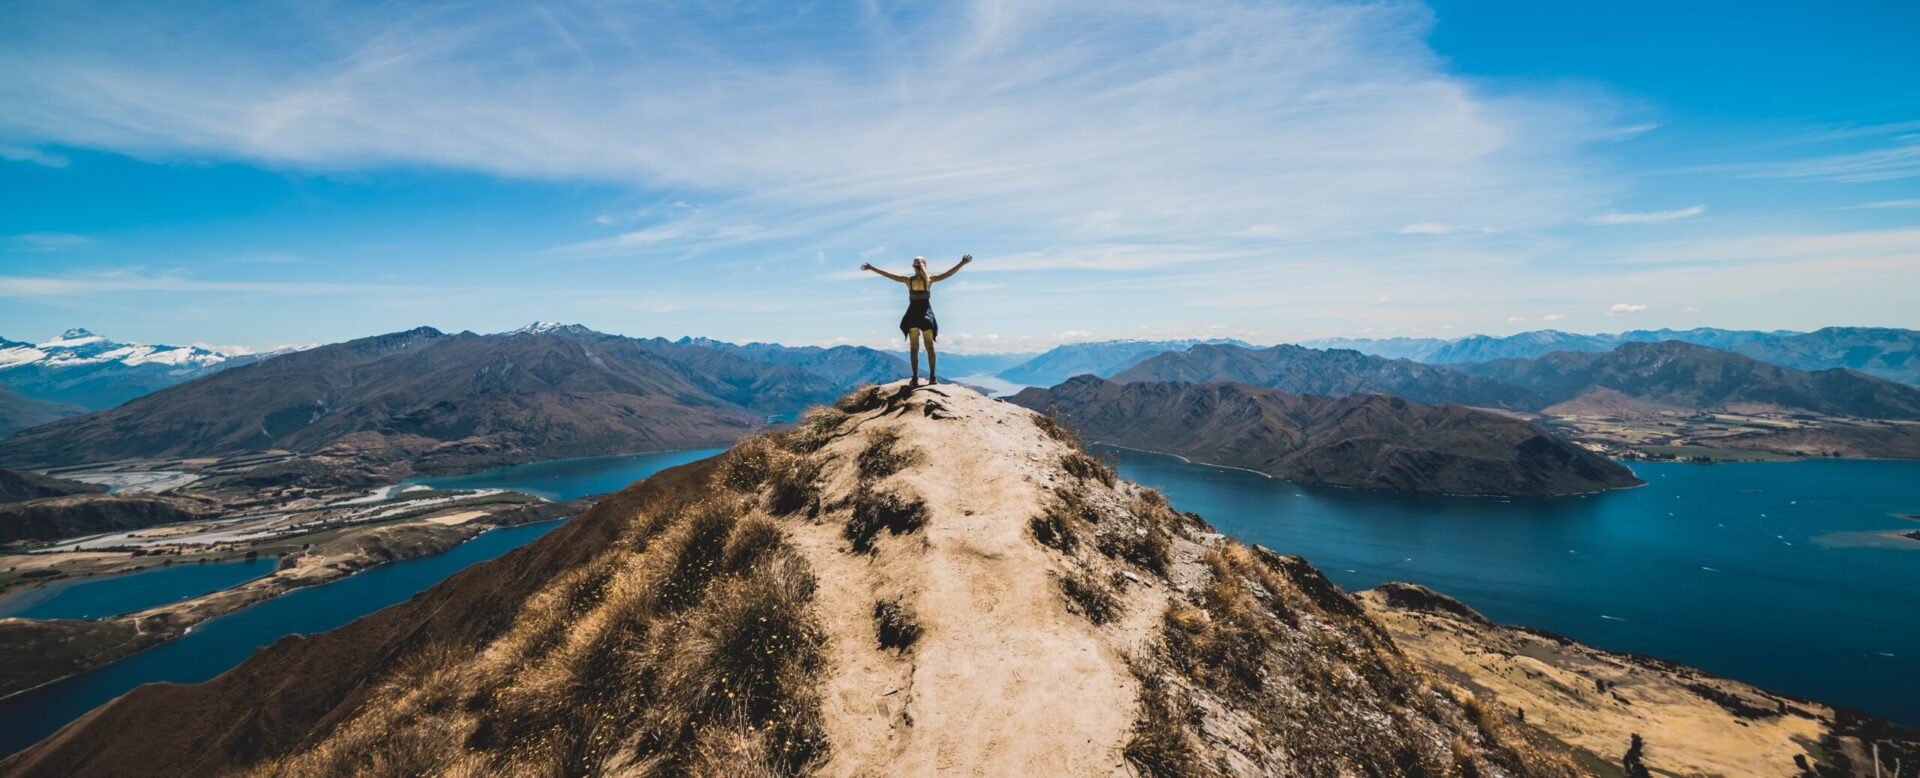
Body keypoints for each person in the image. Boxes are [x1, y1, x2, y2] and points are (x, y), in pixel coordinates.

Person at [861, 254, 971, 385]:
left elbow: (888, 275)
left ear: (914, 267)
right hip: (926, 315)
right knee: (930, 348)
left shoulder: (908, 280)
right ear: (925, 265)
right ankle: (932, 377)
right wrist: (962, 263)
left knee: (914, 349)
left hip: (912, 315)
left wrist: (872, 268)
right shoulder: (930, 280)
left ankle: (914, 378)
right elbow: (948, 273)